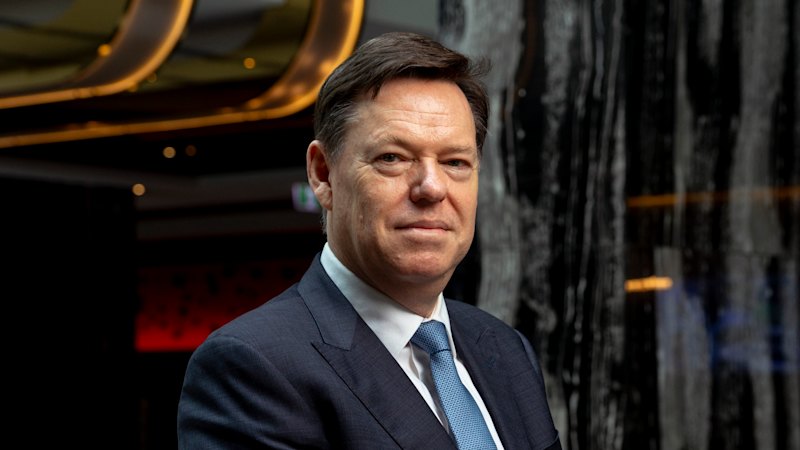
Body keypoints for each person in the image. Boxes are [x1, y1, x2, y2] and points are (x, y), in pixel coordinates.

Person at [177, 31, 561, 450]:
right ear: (323, 175)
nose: (432, 188)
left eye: (455, 162)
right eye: (392, 158)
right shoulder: (253, 366)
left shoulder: (506, 349)